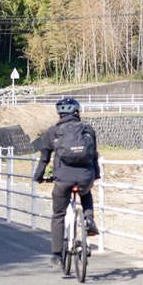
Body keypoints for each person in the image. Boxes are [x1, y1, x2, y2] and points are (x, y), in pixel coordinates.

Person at [32, 97, 101, 267]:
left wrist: (38, 177)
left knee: (58, 214)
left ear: (59, 113)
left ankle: (56, 254)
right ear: (77, 111)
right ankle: (89, 219)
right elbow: (94, 155)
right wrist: (96, 175)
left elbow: (44, 159)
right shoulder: (88, 130)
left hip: (63, 178)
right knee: (86, 192)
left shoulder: (52, 132)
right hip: (85, 176)